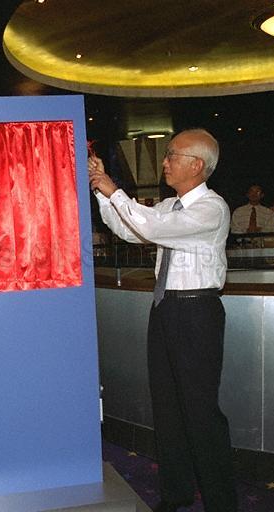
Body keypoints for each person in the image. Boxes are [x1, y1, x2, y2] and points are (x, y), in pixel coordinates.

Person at [89, 129, 235, 512]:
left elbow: (151, 228)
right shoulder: (172, 206)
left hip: (197, 313)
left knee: (201, 413)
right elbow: (131, 228)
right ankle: (176, 494)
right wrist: (102, 193)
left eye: (172, 154)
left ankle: (222, 503)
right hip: (166, 309)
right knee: (167, 409)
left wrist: (113, 189)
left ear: (197, 165)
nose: (165, 161)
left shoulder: (212, 208)